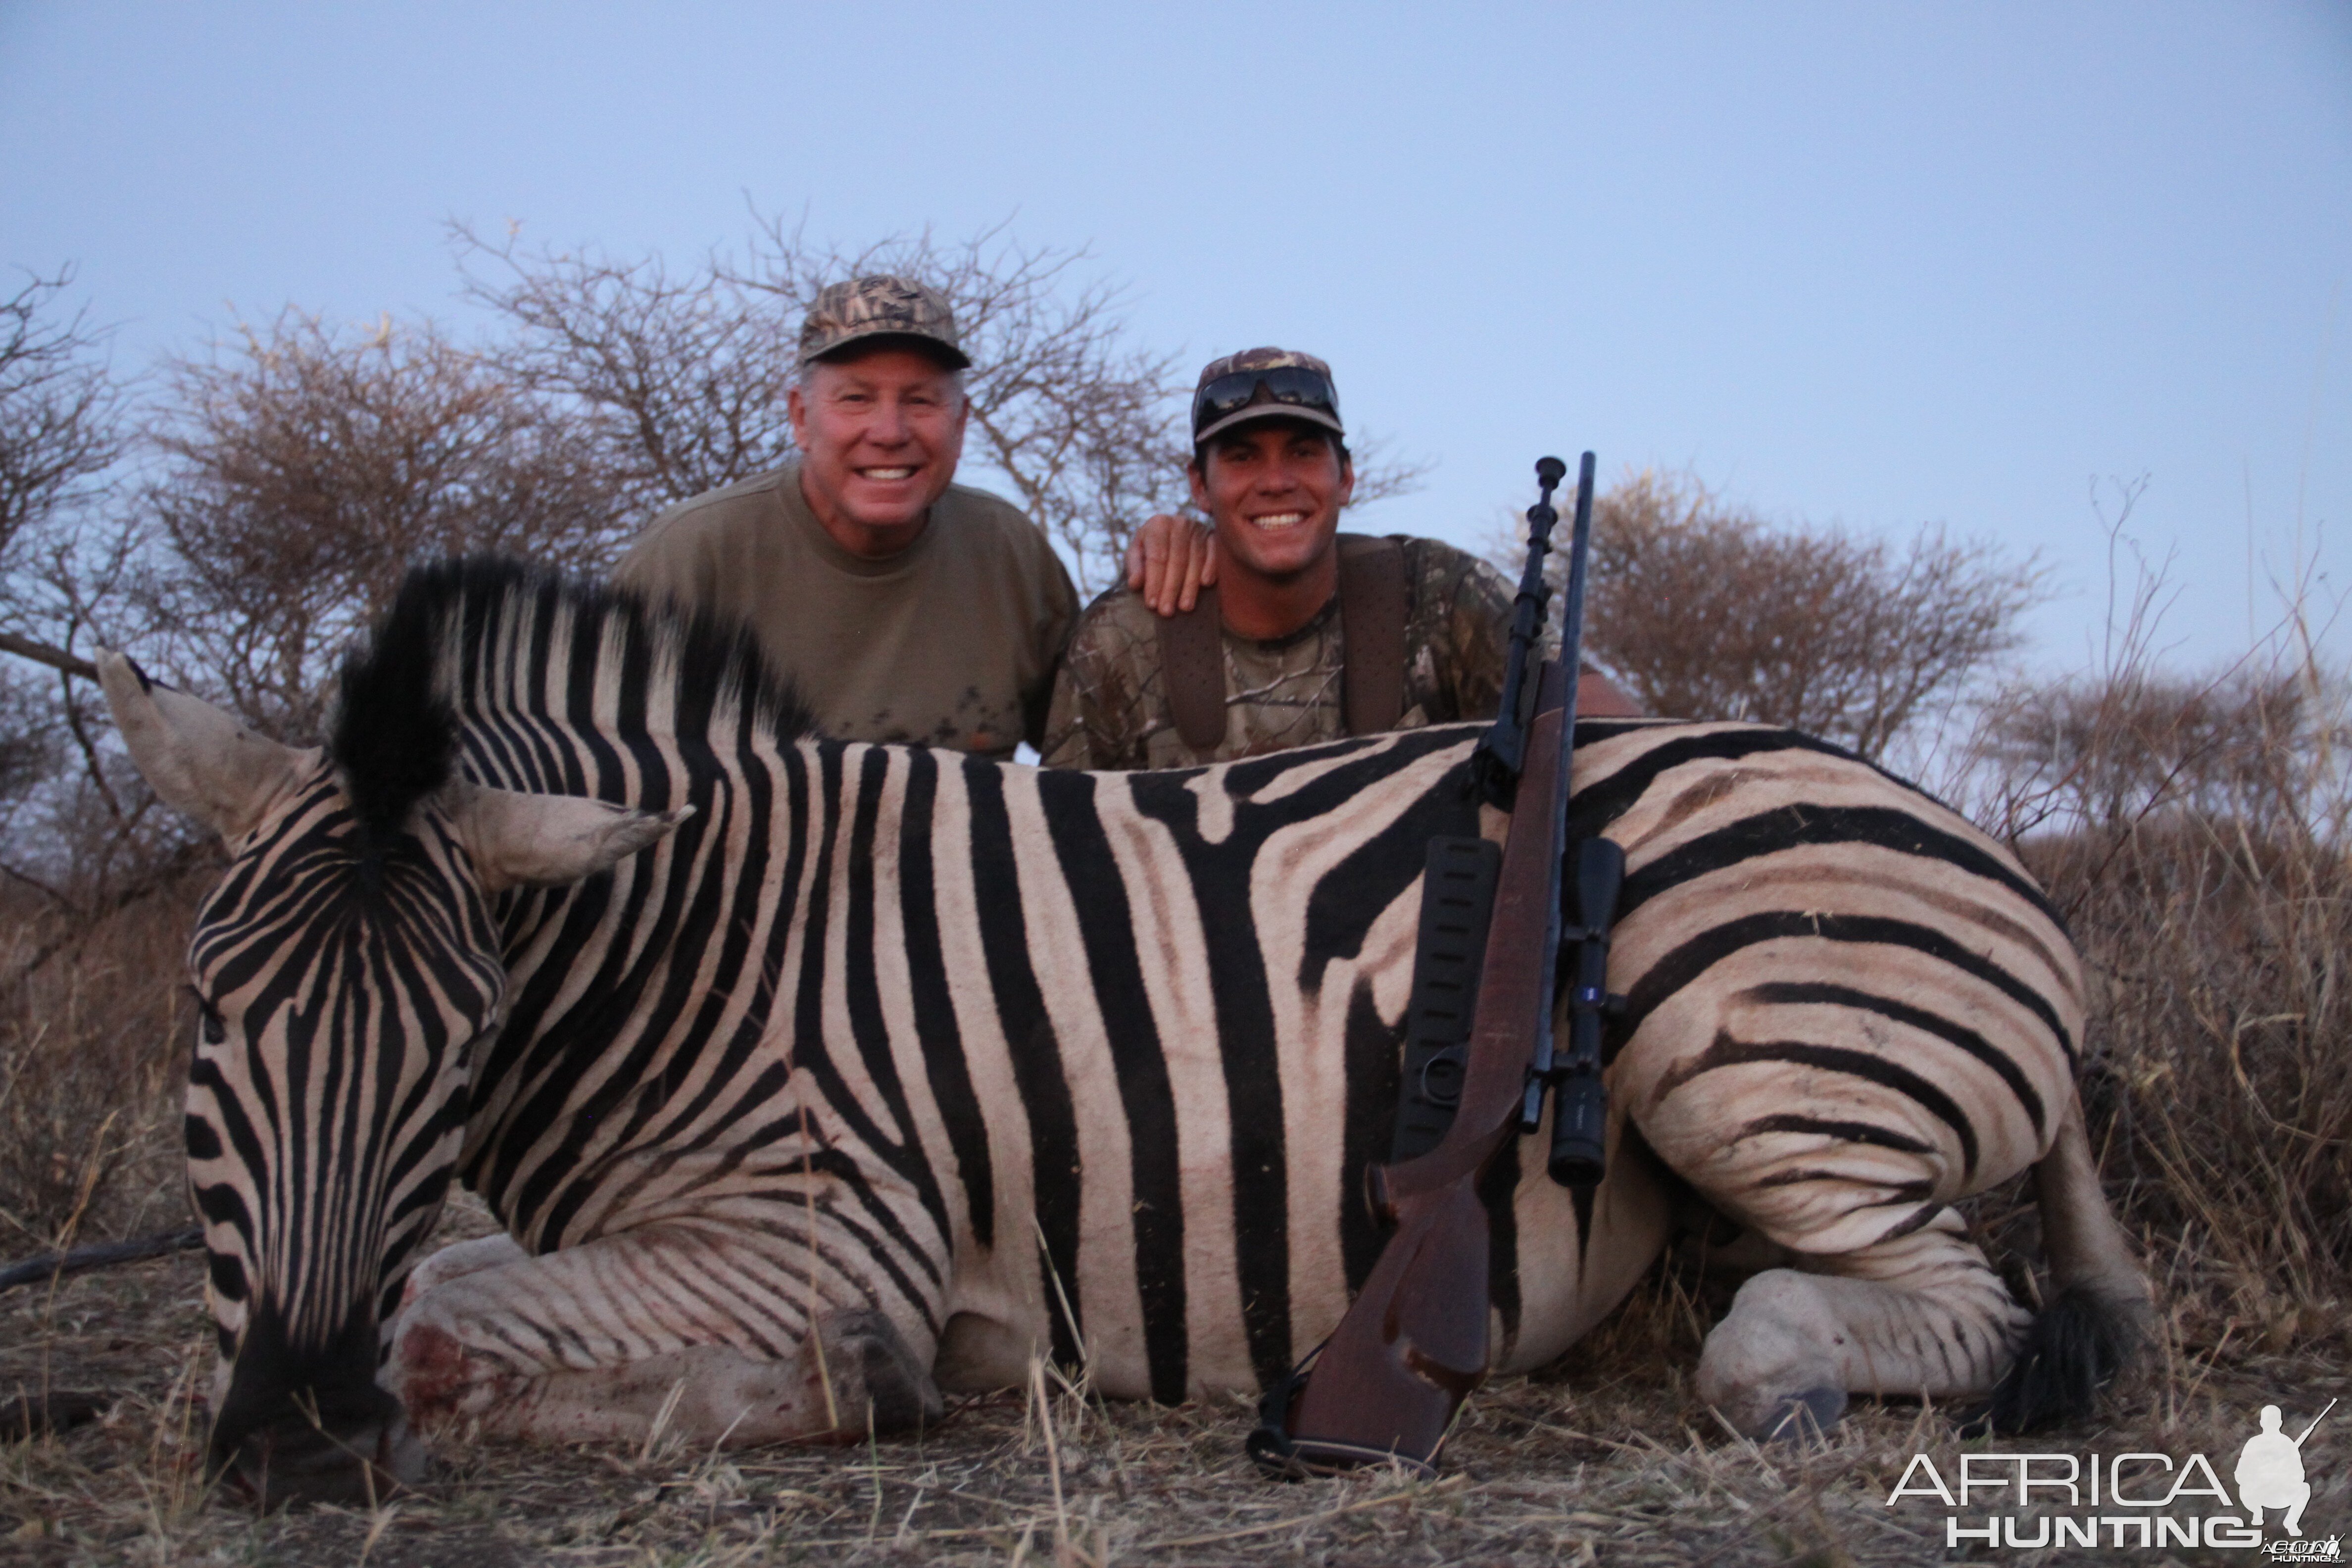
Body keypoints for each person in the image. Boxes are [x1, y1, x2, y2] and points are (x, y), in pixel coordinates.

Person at [614, 274, 1209, 760]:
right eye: (856, 399)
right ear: (800, 418)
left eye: (920, 401)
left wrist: (1195, 548)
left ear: (960, 423)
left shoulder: (1008, 550)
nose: (890, 433)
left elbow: (1103, 741)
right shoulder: (689, 558)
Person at [1041, 347, 1640, 770]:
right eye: (1244, 457)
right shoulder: (1121, 638)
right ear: (1199, 486)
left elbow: (1617, 735)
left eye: (1303, 453)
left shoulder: (1437, 592)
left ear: (1347, 478)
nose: (1276, 482)